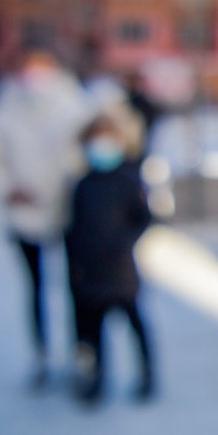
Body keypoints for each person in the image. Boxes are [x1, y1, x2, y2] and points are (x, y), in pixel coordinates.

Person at [0, 44, 91, 389]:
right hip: (25, 212)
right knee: (36, 288)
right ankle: (43, 355)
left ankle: (81, 353)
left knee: (77, 286)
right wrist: (8, 188)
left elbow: (85, 152)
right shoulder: (4, 111)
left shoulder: (73, 105)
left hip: (68, 210)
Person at [64, 112, 155, 405]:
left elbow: (143, 218)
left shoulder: (128, 180)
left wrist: (122, 243)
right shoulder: (83, 185)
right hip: (91, 273)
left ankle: (147, 377)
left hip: (121, 269)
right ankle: (98, 380)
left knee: (135, 323)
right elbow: (74, 228)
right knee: (95, 331)